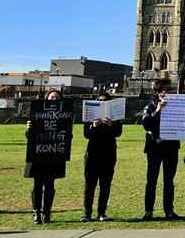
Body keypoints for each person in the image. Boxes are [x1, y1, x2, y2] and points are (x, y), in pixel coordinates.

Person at [25, 89, 72, 225]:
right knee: (37, 184)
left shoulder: (64, 116)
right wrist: (29, 129)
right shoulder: (38, 114)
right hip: (38, 154)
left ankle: (47, 212)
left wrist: (68, 129)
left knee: (50, 185)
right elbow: (30, 138)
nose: (54, 100)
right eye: (51, 98)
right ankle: (36, 212)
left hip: (55, 154)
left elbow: (68, 137)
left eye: (57, 98)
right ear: (46, 99)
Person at [141, 80, 181, 220]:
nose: (166, 93)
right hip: (154, 149)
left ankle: (169, 210)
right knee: (151, 181)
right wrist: (158, 110)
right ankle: (148, 211)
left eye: (168, 90)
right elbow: (146, 124)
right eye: (163, 91)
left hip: (171, 148)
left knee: (169, 181)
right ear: (157, 93)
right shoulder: (150, 107)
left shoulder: (176, 107)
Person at [82, 93, 123, 221]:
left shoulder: (115, 118)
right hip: (93, 153)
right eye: (100, 101)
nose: (102, 102)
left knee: (105, 185)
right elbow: (86, 134)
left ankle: (102, 212)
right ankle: (87, 213)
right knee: (90, 185)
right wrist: (94, 125)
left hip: (109, 153)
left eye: (105, 101)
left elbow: (118, 133)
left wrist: (111, 124)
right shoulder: (90, 117)